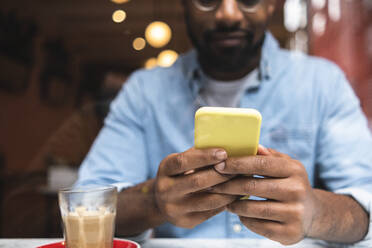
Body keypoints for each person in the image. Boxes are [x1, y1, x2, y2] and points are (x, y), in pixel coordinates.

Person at [75, 0, 372, 245]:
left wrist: (316, 212)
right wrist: (154, 200)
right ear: (184, 6)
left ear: (271, 5)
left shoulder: (323, 83)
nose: (228, 14)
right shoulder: (144, 92)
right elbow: (85, 207)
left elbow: (367, 200)